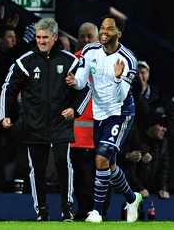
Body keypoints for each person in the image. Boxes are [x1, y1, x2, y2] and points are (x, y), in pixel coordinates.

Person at [0, 17, 90, 222]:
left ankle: (67, 210)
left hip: (61, 122)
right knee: (38, 169)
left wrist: (74, 110)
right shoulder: (26, 61)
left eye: (45, 38)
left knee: (62, 162)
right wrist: (6, 114)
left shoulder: (70, 61)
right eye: (38, 37)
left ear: (55, 37)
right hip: (35, 123)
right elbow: (9, 88)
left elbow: (85, 89)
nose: (41, 41)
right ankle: (42, 211)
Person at [65, 14, 143, 223]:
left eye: (109, 29)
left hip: (120, 112)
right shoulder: (91, 51)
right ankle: (131, 198)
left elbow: (121, 96)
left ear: (119, 33)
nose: (103, 32)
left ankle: (96, 212)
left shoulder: (127, 59)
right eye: (102, 28)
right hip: (99, 114)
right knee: (109, 166)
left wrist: (118, 78)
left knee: (100, 160)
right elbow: (83, 79)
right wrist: (75, 82)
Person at [70, 22, 98, 220]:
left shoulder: (109, 62)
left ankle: (99, 211)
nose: (86, 40)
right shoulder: (73, 62)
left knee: (101, 175)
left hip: (101, 133)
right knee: (81, 177)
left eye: (90, 36)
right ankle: (84, 210)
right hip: (78, 136)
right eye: (82, 36)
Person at [134, 112, 170, 199]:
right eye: (161, 125)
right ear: (150, 126)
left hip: (148, 192)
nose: (165, 129)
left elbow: (163, 168)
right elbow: (128, 169)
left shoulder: (163, 143)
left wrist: (162, 188)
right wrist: (139, 188)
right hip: (128, 191)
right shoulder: (135, 140)